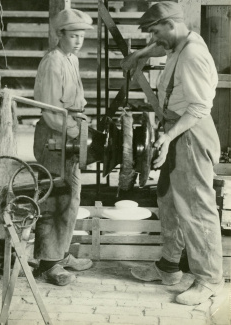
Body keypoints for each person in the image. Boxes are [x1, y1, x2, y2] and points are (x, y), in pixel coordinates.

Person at [121, 1, 224, 305]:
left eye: (156, 32)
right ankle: (168, 267)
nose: (155, 39)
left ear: (170, 24)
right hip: (176, 132)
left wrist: (167, 136)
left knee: (196, 208)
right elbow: (159, 47)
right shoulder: (181, 41)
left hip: (190, 133)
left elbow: (199, 108)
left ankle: (209, 280)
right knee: (167, 200)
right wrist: (138, 55)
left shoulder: (192, 55)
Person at [32, 9, 93, 286]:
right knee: (55, 200)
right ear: (60, 34)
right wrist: (75, 133)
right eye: (73, 35)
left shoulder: (72, 59)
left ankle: (61, 254)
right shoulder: (52, 63)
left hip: (69, 133)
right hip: (54, 137)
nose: (79, 41)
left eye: (81, 36)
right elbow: (50, 112)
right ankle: (48, 264)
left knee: (72, 198)